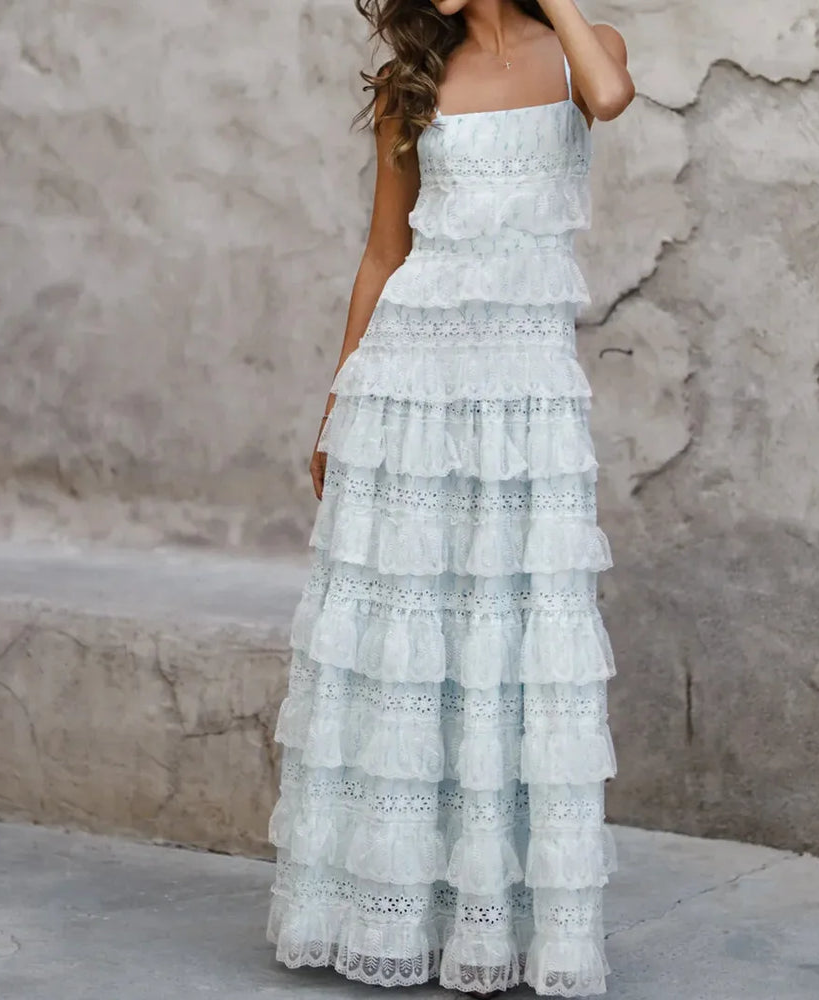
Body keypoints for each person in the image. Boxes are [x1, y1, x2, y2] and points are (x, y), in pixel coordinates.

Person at [266, 1, 634, 995]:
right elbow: (384, 255)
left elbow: (609, 94)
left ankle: (496, 921)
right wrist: (339, 398)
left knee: (510, 647)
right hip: (411, 387)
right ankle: (391, 912)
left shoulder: (582, 54)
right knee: (406, 654)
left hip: (525, 391)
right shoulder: (408, 85)